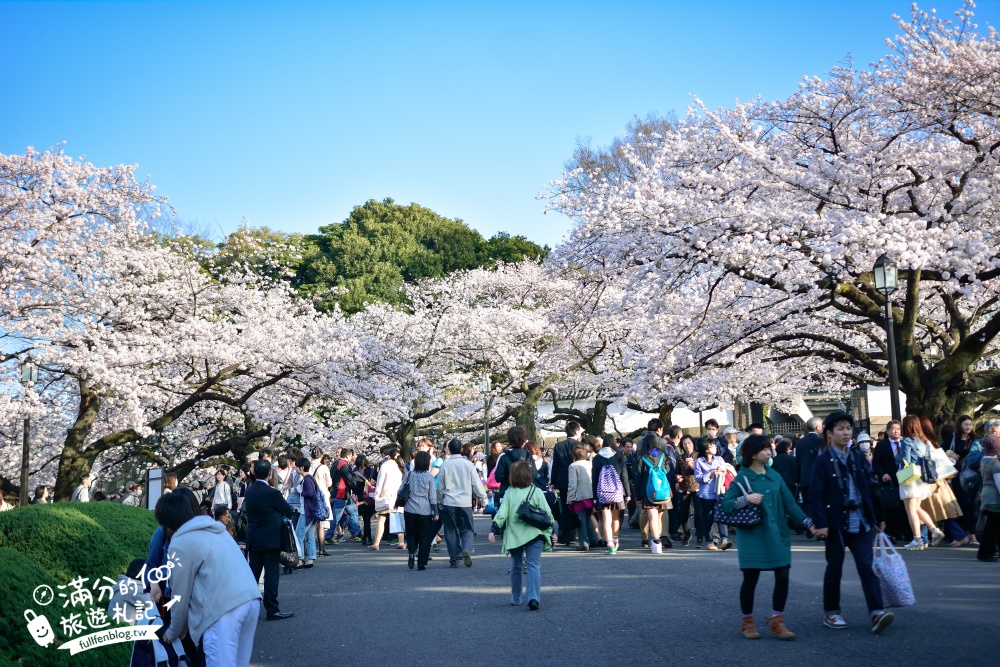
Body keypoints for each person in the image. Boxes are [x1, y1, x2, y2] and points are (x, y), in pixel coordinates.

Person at [808, 411, 894, 634]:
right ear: (829, 433)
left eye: (848, 428)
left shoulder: (856, 456)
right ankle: (831, 612)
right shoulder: (822, 461)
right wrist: (821, 523)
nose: (846, 433)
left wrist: (878, 517)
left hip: (861, 521)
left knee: (867, 567)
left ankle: (876, 611)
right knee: (834, 568)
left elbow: (870, 487)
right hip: (835, 523)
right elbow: (815, 494)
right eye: (840, 429)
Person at [722, 435, 815, 640]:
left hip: (776, 534)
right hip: (752, 537)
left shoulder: (775, 476)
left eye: (768, 448)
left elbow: (790, 504)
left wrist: (809, 524)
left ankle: (777, 620)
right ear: (753, 454)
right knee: (751, 578)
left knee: (783, 575)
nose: (769, 451)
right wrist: (745, 499)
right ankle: (747, 622)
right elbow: (726, 504)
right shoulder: (742, 477)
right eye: (764, 449)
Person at [157, 492, 262, 667]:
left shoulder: (180, 542)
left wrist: (173, 631)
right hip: (250, 600)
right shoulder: (216, 530)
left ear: (167, 522)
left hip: (223, 611)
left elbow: (179, 595)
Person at [489, 460, 555, 610]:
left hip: (515, 535)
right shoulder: (536, 491)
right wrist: (552, 532)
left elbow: (502, 513)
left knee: (516, 565)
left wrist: (494, 528)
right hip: (535, 533)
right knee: (533, 565)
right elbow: (547, 514)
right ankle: (533, 597)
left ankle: (516, 597)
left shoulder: (509, 493)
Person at [244, 459, 295, 621]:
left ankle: (246, 608)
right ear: (270, 473)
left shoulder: (249, 491)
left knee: (253, 574)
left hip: (254, 538)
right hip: (271, 539)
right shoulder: (272, 493)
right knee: (271, 574)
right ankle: (272, 609)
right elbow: (288, 510)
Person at [918, 416, 968, 547]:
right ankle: (958, 535)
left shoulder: (923, 443)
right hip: (938, 481)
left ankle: (923, 538)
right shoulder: (933, 442)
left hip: (930, 481)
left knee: (922, 509)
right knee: (941, 511)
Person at [437, 437, 487, 567]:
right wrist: (483, 497)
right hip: (465, 502)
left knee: (450, 530)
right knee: (467, 529)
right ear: (460, 449)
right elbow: (476, 483)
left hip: (449, 502)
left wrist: (440, 501)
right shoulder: (468, 465)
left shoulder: (444, 465)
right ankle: (466, 548)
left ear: (449, 449)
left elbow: (440, 487)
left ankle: (454, 558)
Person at [898, 416, 945, 550]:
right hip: (923, 477)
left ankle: (917, 539)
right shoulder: (925, 441)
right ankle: (934, 530)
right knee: (917, 508)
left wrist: (897, 456)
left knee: (911, 510)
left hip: (910, 476)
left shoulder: (907, 440)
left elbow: (906, 460)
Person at [635, 418, 673, 553]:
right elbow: (668, 470)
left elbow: (638, 475)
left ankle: (655, 542)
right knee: (661, 515)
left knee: (652, 516)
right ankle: (661, 537)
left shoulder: (641, 457)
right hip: (662, 489)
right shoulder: (663, 455)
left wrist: (638, 495)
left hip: (648, 490)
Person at [872, 420, 910, 544]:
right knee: (890, 507)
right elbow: (876, 463)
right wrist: (883, 473)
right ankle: (891, 534)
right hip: (889, 481)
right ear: (887, 431)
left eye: (898, 429)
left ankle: (905, 533)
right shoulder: (882, 445)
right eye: (893, 429)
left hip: (905, 478)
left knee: (904, 506)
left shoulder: (905, 443)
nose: (896, 431)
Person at [592, 435, 630, 553]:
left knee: (606, 518)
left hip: (603, 493)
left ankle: (609, 543)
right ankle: (615, 539)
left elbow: (595, 478)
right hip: (617, 492)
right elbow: (624, 476)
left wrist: (595, 496)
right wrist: (627, 493)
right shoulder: (619, 456)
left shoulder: (597, 458)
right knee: (615, 518)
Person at [403, 450, 438, 570]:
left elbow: (400, 490)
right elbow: (432, 496)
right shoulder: (429, 477)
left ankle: (411, 553)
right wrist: (436, 512)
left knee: (411, 534)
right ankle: (421, 563)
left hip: (409, 509)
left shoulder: (409, 475)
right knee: (424, 536)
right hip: (424, 510)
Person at [550, 421, 584, 546]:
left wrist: (553, 481)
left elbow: (555, 465)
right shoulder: (581, 445)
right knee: (577, 507)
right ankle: (572, 535)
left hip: (562, 480)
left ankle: (562, 532)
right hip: (578, 480)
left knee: (565, 507)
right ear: (577, 431)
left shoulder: (559, 446)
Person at [694, 439, 731, 550]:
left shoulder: (719, 459)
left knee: (721, 515)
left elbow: (726, 471)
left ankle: (724, 540)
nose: (715, 447)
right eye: (712, 446)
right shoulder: (699, 461)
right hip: (706, 494)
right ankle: (709, 541)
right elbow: (698, 478)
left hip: (719, 492)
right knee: (708, 517)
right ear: (706, 449)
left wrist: (723, 470)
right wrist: (711, 473)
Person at [371, 445, 404, 551]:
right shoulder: (399, 467)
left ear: (389, 456)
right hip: (396, 497)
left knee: (381, 519)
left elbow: (380, 482)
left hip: (385, 496)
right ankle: (401, 542)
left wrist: (377, 495)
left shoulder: (385, 466)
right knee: (398, 519)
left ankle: (376, 543)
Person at [567, 444, 599, 552]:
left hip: (579, 496)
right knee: (587, 518)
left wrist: (569, 498)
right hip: (591, 495)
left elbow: (572, 484)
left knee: (580, 520)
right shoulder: (590, 464)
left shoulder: (573, 466)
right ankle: (593, 539)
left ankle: (584, 543)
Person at [976, 435, 1000, 562]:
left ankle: (987, 552)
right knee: (992, 528)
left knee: (993, 527)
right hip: (995, 499)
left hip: (986, 496)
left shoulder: (984, 460)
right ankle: (985, 554)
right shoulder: (995, 464)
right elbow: (999, 483)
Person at [494, 428, 533, 501]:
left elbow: (498, 477)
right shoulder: (528, 455)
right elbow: (534, 475)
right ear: (523, 440)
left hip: (507, 494)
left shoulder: (503, 456)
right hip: (526, 495)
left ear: (509, 440)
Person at [794, 417, 824, 505]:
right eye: (821, 425)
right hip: (820, 478)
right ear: (817, 427)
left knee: (808, 505)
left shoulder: (800, 442)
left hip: (805, 479)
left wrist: (797, 479)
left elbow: (797, 462)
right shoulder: (822, 441)